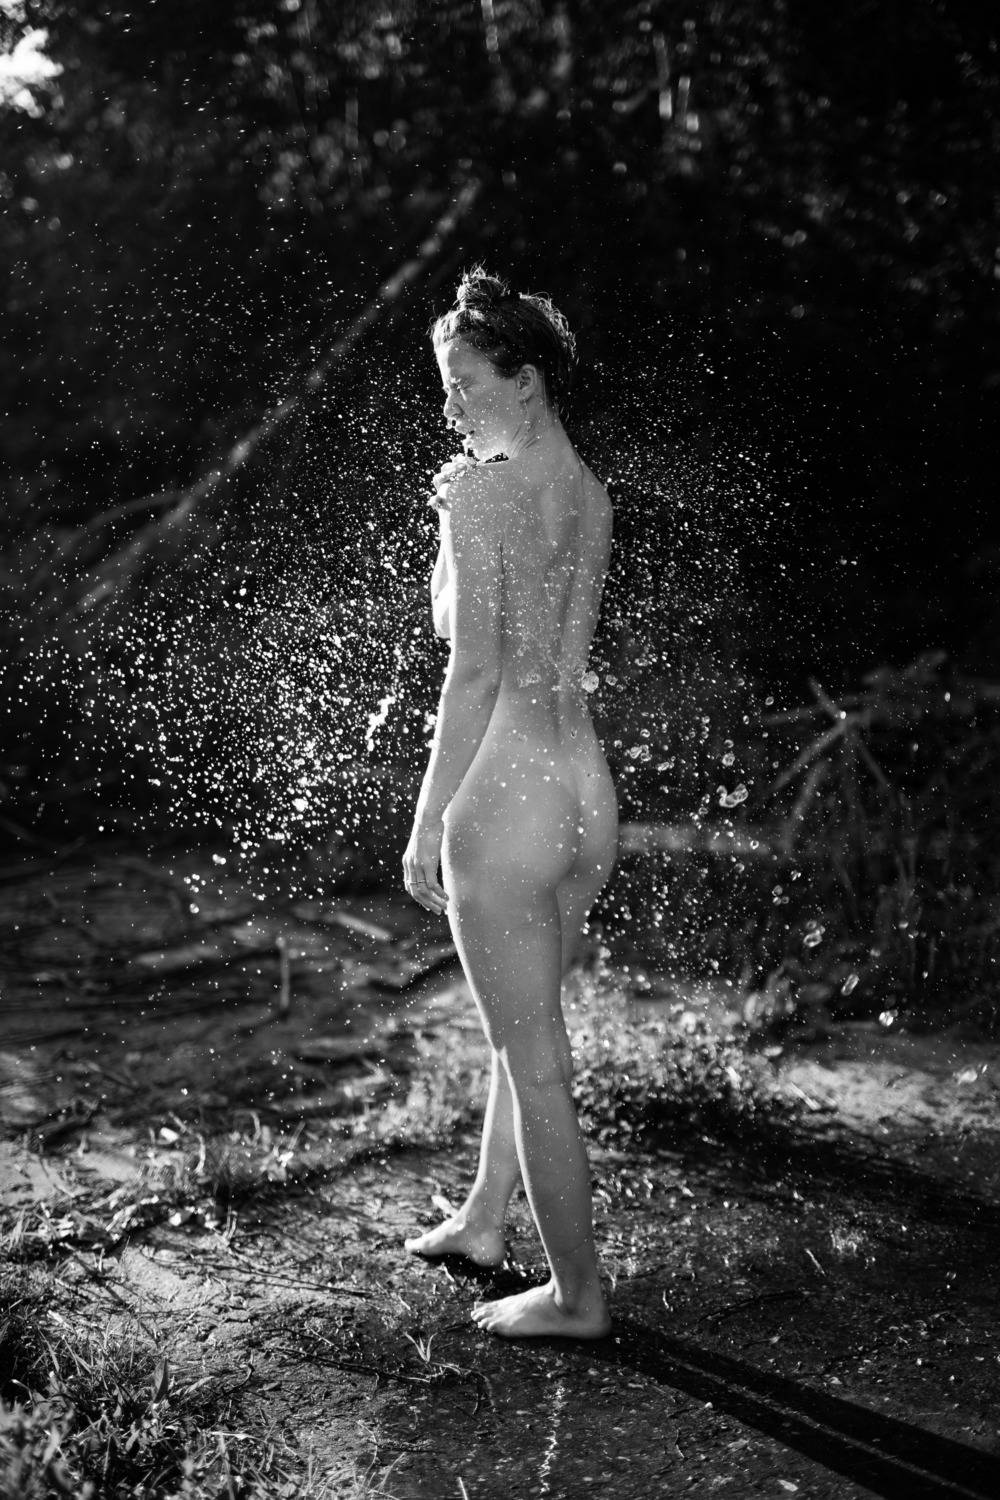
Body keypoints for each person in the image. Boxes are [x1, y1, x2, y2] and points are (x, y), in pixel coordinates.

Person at [401, 266, 618, 1340]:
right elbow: (545, 643)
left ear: (524, 380)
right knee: (524, 1030)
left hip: (508, 801)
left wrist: (429, 816)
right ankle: (486, 1220)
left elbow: (472, 666)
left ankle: (577, 1297)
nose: (451, 405)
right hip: (584, 792)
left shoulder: (484, 495)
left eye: (465, 383)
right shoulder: (590, 492)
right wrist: (460, 516)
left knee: (535, 1063)